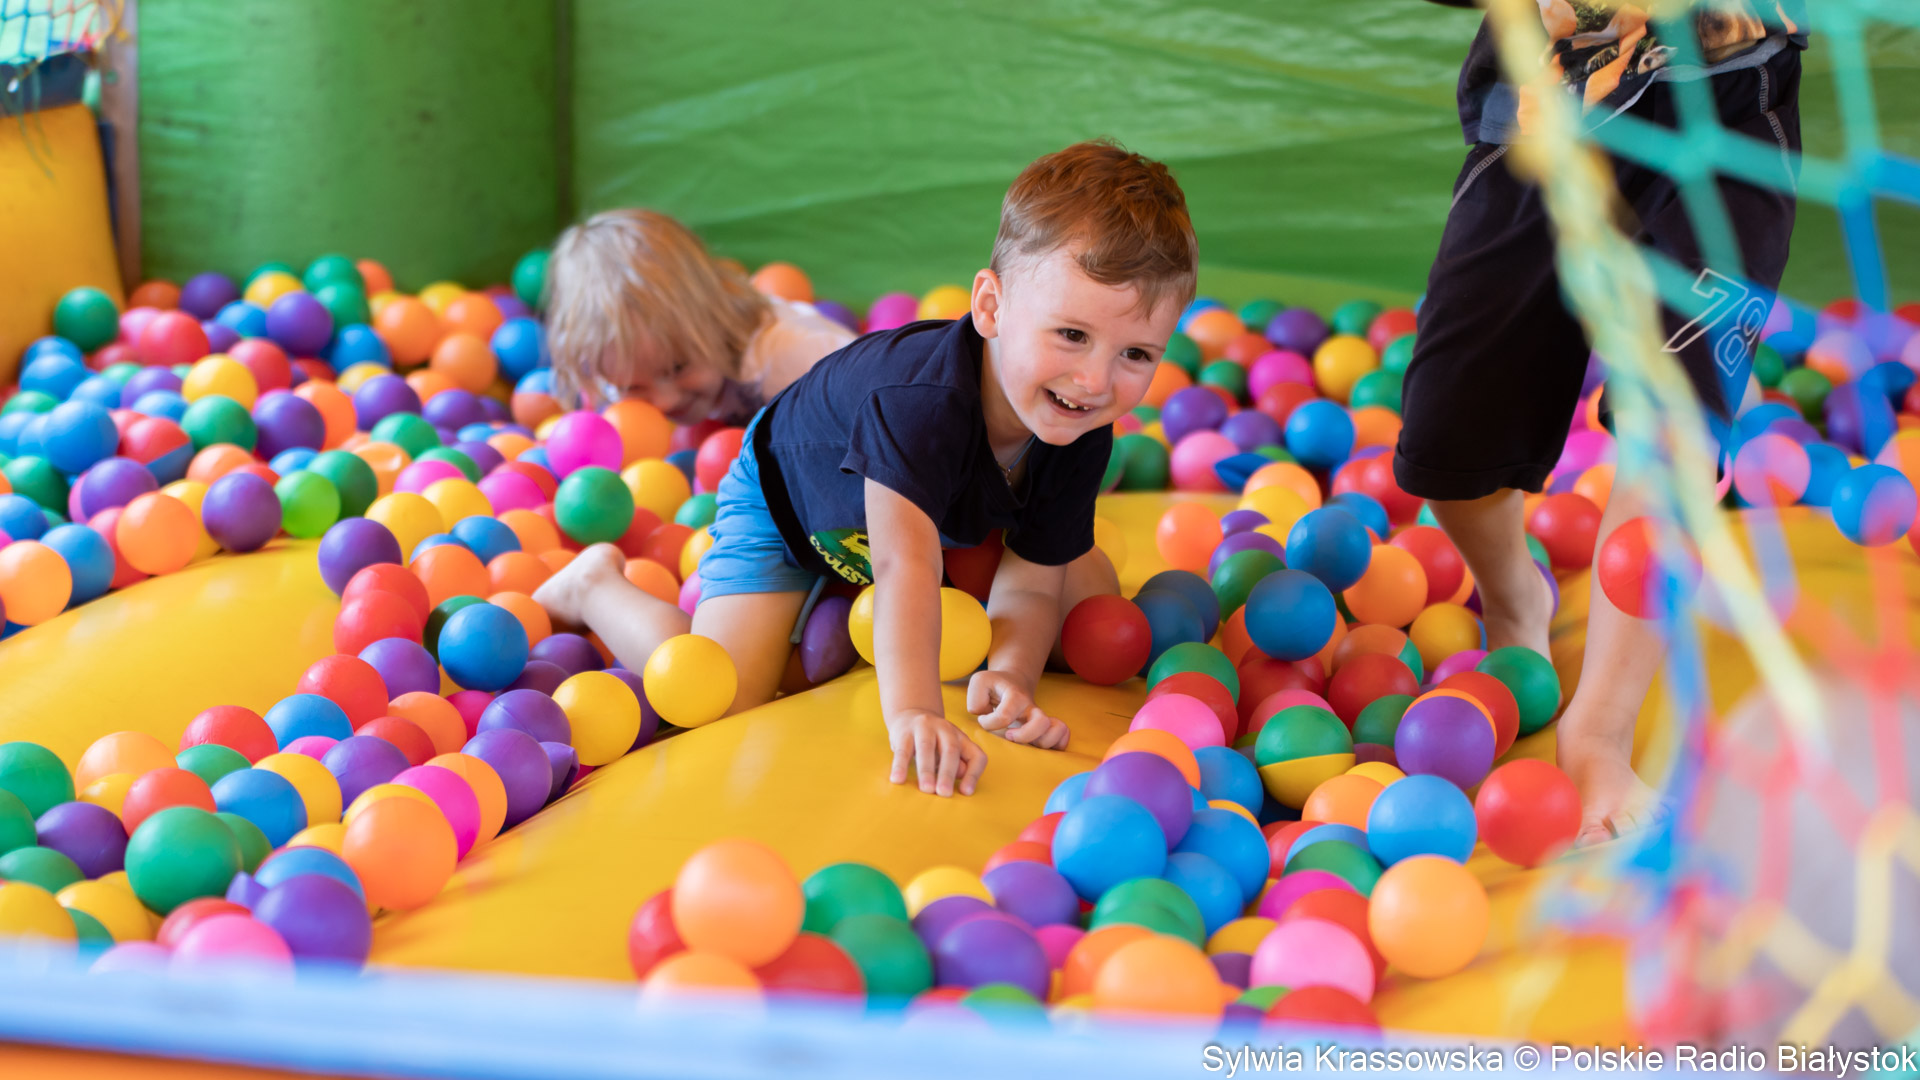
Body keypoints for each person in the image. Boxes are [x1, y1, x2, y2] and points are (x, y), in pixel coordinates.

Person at [537, 140, 1196, 797]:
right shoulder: (918, 406)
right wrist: (913, 712)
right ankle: (594, 585)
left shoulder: (1080, 422)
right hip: (790, 503)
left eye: (1135, 354)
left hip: (920, 517)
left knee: (1087, 597)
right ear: (990, 308)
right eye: (1072, 335)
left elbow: (1032, 577)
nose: (1094, 380)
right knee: (719, 692)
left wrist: (1011, 674)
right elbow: (902, 569)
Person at [1400, 1, 1806, 844]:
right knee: (1445, 442)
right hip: (1543, 115)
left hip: (1724, 117)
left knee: (1677, 426)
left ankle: (1599, 736)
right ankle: (1516, 597)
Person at [543, 208, 854, 423]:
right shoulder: (617, 367)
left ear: (714, 315)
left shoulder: (791, 361)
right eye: (631, 387)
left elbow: (883, 409)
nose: (665, 402)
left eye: (678, 367)